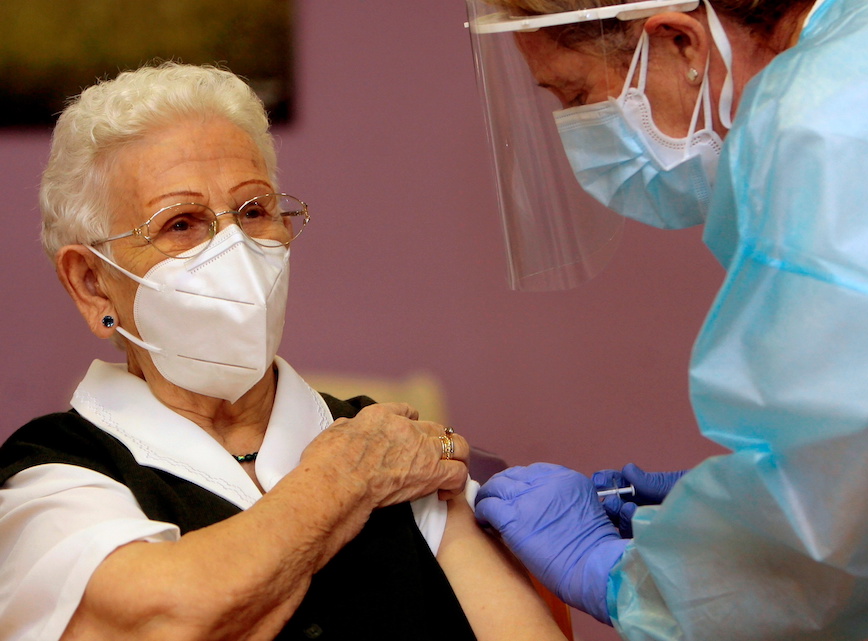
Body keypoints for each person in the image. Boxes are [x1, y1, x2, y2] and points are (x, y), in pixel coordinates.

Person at [463, 0, 868, 639]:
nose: (579, 129)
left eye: (578, 95)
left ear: (681, 43)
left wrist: (634, 579)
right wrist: (736, 514)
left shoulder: (841, 119)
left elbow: (835, 523)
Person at [0, 62, 568, 641]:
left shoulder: (387, 440)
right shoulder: (51, 475)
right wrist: (343, 480)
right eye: (181, 223)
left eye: (253, 211)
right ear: (92, 283)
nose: (234, 250)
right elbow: (166, 620)